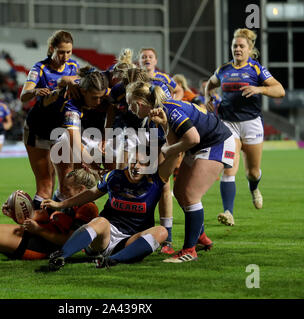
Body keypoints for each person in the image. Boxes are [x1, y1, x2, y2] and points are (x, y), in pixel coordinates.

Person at [125, 81, 234, 263]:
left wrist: (167, 151)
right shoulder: (161, 112)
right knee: (182, 193)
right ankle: (200, 238)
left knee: (190, 195)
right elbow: (175, 140)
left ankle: (189, 250)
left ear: (140, 103)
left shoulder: (168, 108)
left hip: (216, 142)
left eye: (130, 103)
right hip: (202, 145)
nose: (129, 108)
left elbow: (193, 138)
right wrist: (165, 127)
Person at [42, 144, 182, 271]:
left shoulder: (156, 181)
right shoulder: (115, 176)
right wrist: (60, 204)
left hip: (131, 241)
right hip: (104, 237)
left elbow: (175, 153)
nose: (137, 166)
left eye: (143, 163)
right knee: (101, 221)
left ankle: (111, 260)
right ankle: (61, 256)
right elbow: (91, 194)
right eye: (134, 161)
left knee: (162, 232)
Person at [205, 28, 285, 226]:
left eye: (241, 46)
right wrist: (208, 97)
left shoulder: (256, 69)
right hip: (228, 124)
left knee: (252, 172)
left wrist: (259, 88)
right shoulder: (223, 70)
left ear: (250, 49)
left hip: (251, 123)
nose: (237, 49)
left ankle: (254, 187)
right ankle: (228, 213)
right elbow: (210, 83)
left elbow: (280, 90)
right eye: (234, 46)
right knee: (229, 169)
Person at [23, 66, 110, 210]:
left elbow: (64, 79)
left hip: (58, 131)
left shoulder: (90, 83)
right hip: (37, 132)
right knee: (46, 185)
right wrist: (96, 167)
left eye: (101, 97)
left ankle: (58, 216)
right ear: (83, 92)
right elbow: (75, 142)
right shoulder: (70, 105)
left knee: (68, 184)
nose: (99, 102)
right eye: (95, 98)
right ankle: (34, 224)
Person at [109, 66, 176, 254]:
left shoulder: (159, 93)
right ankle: (119, 225)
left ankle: (167, 237)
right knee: (121, 175)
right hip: (131, 134)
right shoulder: (118, 91)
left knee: (163, 184)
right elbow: (111, 109)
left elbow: (170, 118)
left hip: (158, 135)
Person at [20, 30, 79, 103]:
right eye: (61, 52)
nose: (65, 57)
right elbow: (23, 97)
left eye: (68, 52)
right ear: (52, 49)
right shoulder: (39, 68)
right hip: (43, 112)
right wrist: (35, 91)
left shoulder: (74, 66)